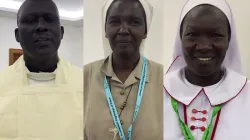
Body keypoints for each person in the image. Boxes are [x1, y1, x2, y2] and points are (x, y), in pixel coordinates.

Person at [164, 0, 250, 139]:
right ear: (181, 39)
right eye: (192, 35)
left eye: (216, 35)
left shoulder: (246, 96)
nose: (204, 46)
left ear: (229, 40)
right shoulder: (154, 93)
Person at [0, 0, 83, 139]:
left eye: (49, 19)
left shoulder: (85, 83)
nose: (41, 26)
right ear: (17, 35)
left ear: (61, 32)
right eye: (31, 20)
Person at [84, 0, 163, 139]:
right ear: (105, 30)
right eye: (115, 22)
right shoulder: (85, 76)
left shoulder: (164, 78)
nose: (123, 30)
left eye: (134, 22)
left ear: (145, 30)